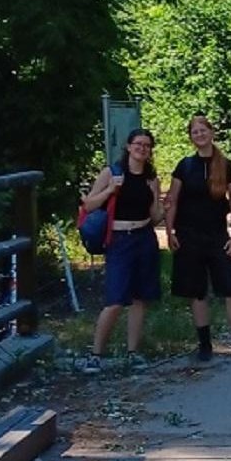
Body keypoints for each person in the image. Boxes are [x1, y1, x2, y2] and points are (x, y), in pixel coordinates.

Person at [165, 115, 231, 362]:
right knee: (197, 292)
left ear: (211, 132)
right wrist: (169, 232)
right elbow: (172, 201)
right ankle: (205, 345)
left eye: (203, 130)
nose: (200, 135)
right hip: (189, 236)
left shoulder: (227, 166)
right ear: (191, 137)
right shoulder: (184, 166)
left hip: (218, 235)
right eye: (195, 132)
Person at [81, 128, 163, 374]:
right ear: (128, 146)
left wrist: (164, 209)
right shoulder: (111, 172)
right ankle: (96, 354)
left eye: (147, 145)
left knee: (140, 298)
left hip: (144, 238)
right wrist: (109, 190)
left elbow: (154, 216)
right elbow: (88, 205)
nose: (142, 148)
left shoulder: (151, 180)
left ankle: (133, 353)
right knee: (115, 300)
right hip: (119, 240)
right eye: (138, 144)